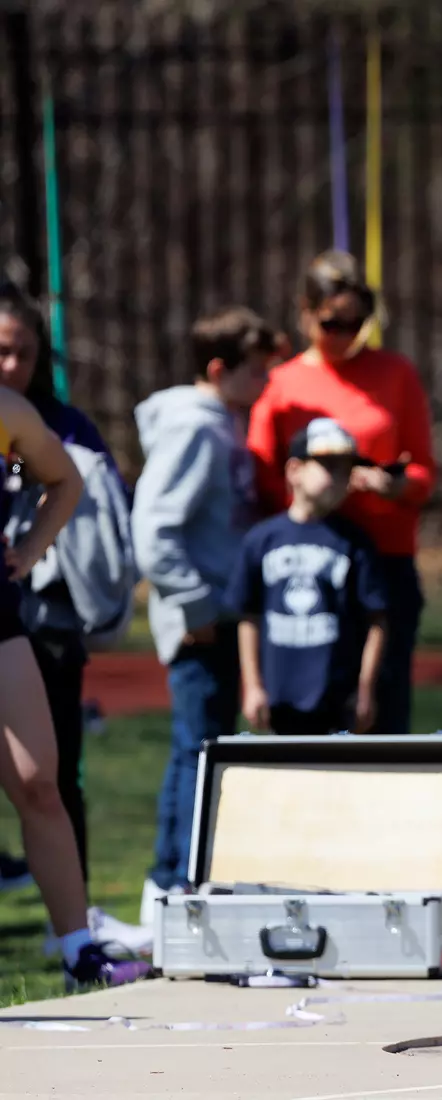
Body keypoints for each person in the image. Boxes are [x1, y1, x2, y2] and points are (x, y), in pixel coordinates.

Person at [0, 293, 150, 958]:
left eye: (23, 352)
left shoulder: (19, 415)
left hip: (13, 618)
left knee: (42, 779)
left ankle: (78, 949)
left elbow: (68, 482)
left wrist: (28, 551)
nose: (11, 364)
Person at [247, 251, 435, 739]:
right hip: (304, 564)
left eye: (357, 324)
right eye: (332, 323)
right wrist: (314, 497)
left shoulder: (396, 373)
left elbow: (423, 472)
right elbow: (261, 475)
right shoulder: (282, 384)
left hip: (383, 560)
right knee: (305, 719)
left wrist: (394, 485)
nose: (345, 335)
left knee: (380, 716)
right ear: (305, 312)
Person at [133, 307, 275, 921]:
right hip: (202, 621)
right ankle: (181, 886)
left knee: (197, 748)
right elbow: (154, 529)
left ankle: (168, 887)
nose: (264, 383)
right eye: (255, 371)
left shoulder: (222, 423)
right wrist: (195, 604)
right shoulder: (194, 429)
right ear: (218, 369)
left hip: (219, 611)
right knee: (200, 753)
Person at [229, 419, 388, 737]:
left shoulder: (354, 543)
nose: (339, 478)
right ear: (295, 470)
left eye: (346, 469)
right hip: (279, 697)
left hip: (336, 699)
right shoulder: (262, 540)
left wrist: (365, 688)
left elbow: (376, 620)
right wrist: (253, 685)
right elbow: (248, 615)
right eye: (329, 466)